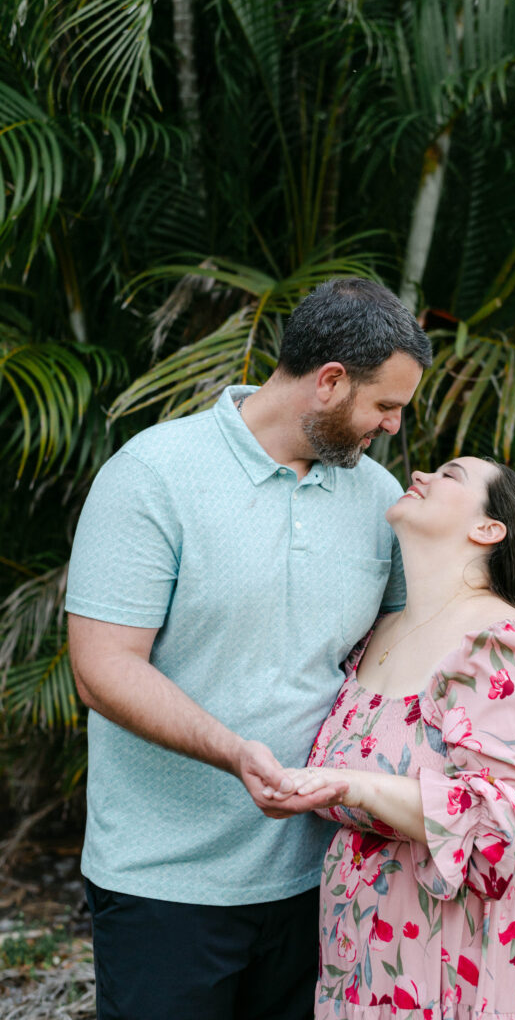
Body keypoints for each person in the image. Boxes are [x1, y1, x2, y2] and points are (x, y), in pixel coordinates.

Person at [65, 277, 432, 1020]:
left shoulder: (377, 494)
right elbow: (102, 670)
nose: (393, 426)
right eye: (385, 406)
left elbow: (406, 654)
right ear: (329, 382)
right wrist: (236, 753)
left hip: (322, 879)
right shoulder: (152, 475)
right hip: (164, 884)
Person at [282, 457, 515, 1019]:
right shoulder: (376, 631)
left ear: (487, 529)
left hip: (472, 947)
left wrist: (354, 787)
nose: (422, 475)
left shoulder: (503, 645)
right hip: (368, 946)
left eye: (450, 475)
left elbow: (508, 823)